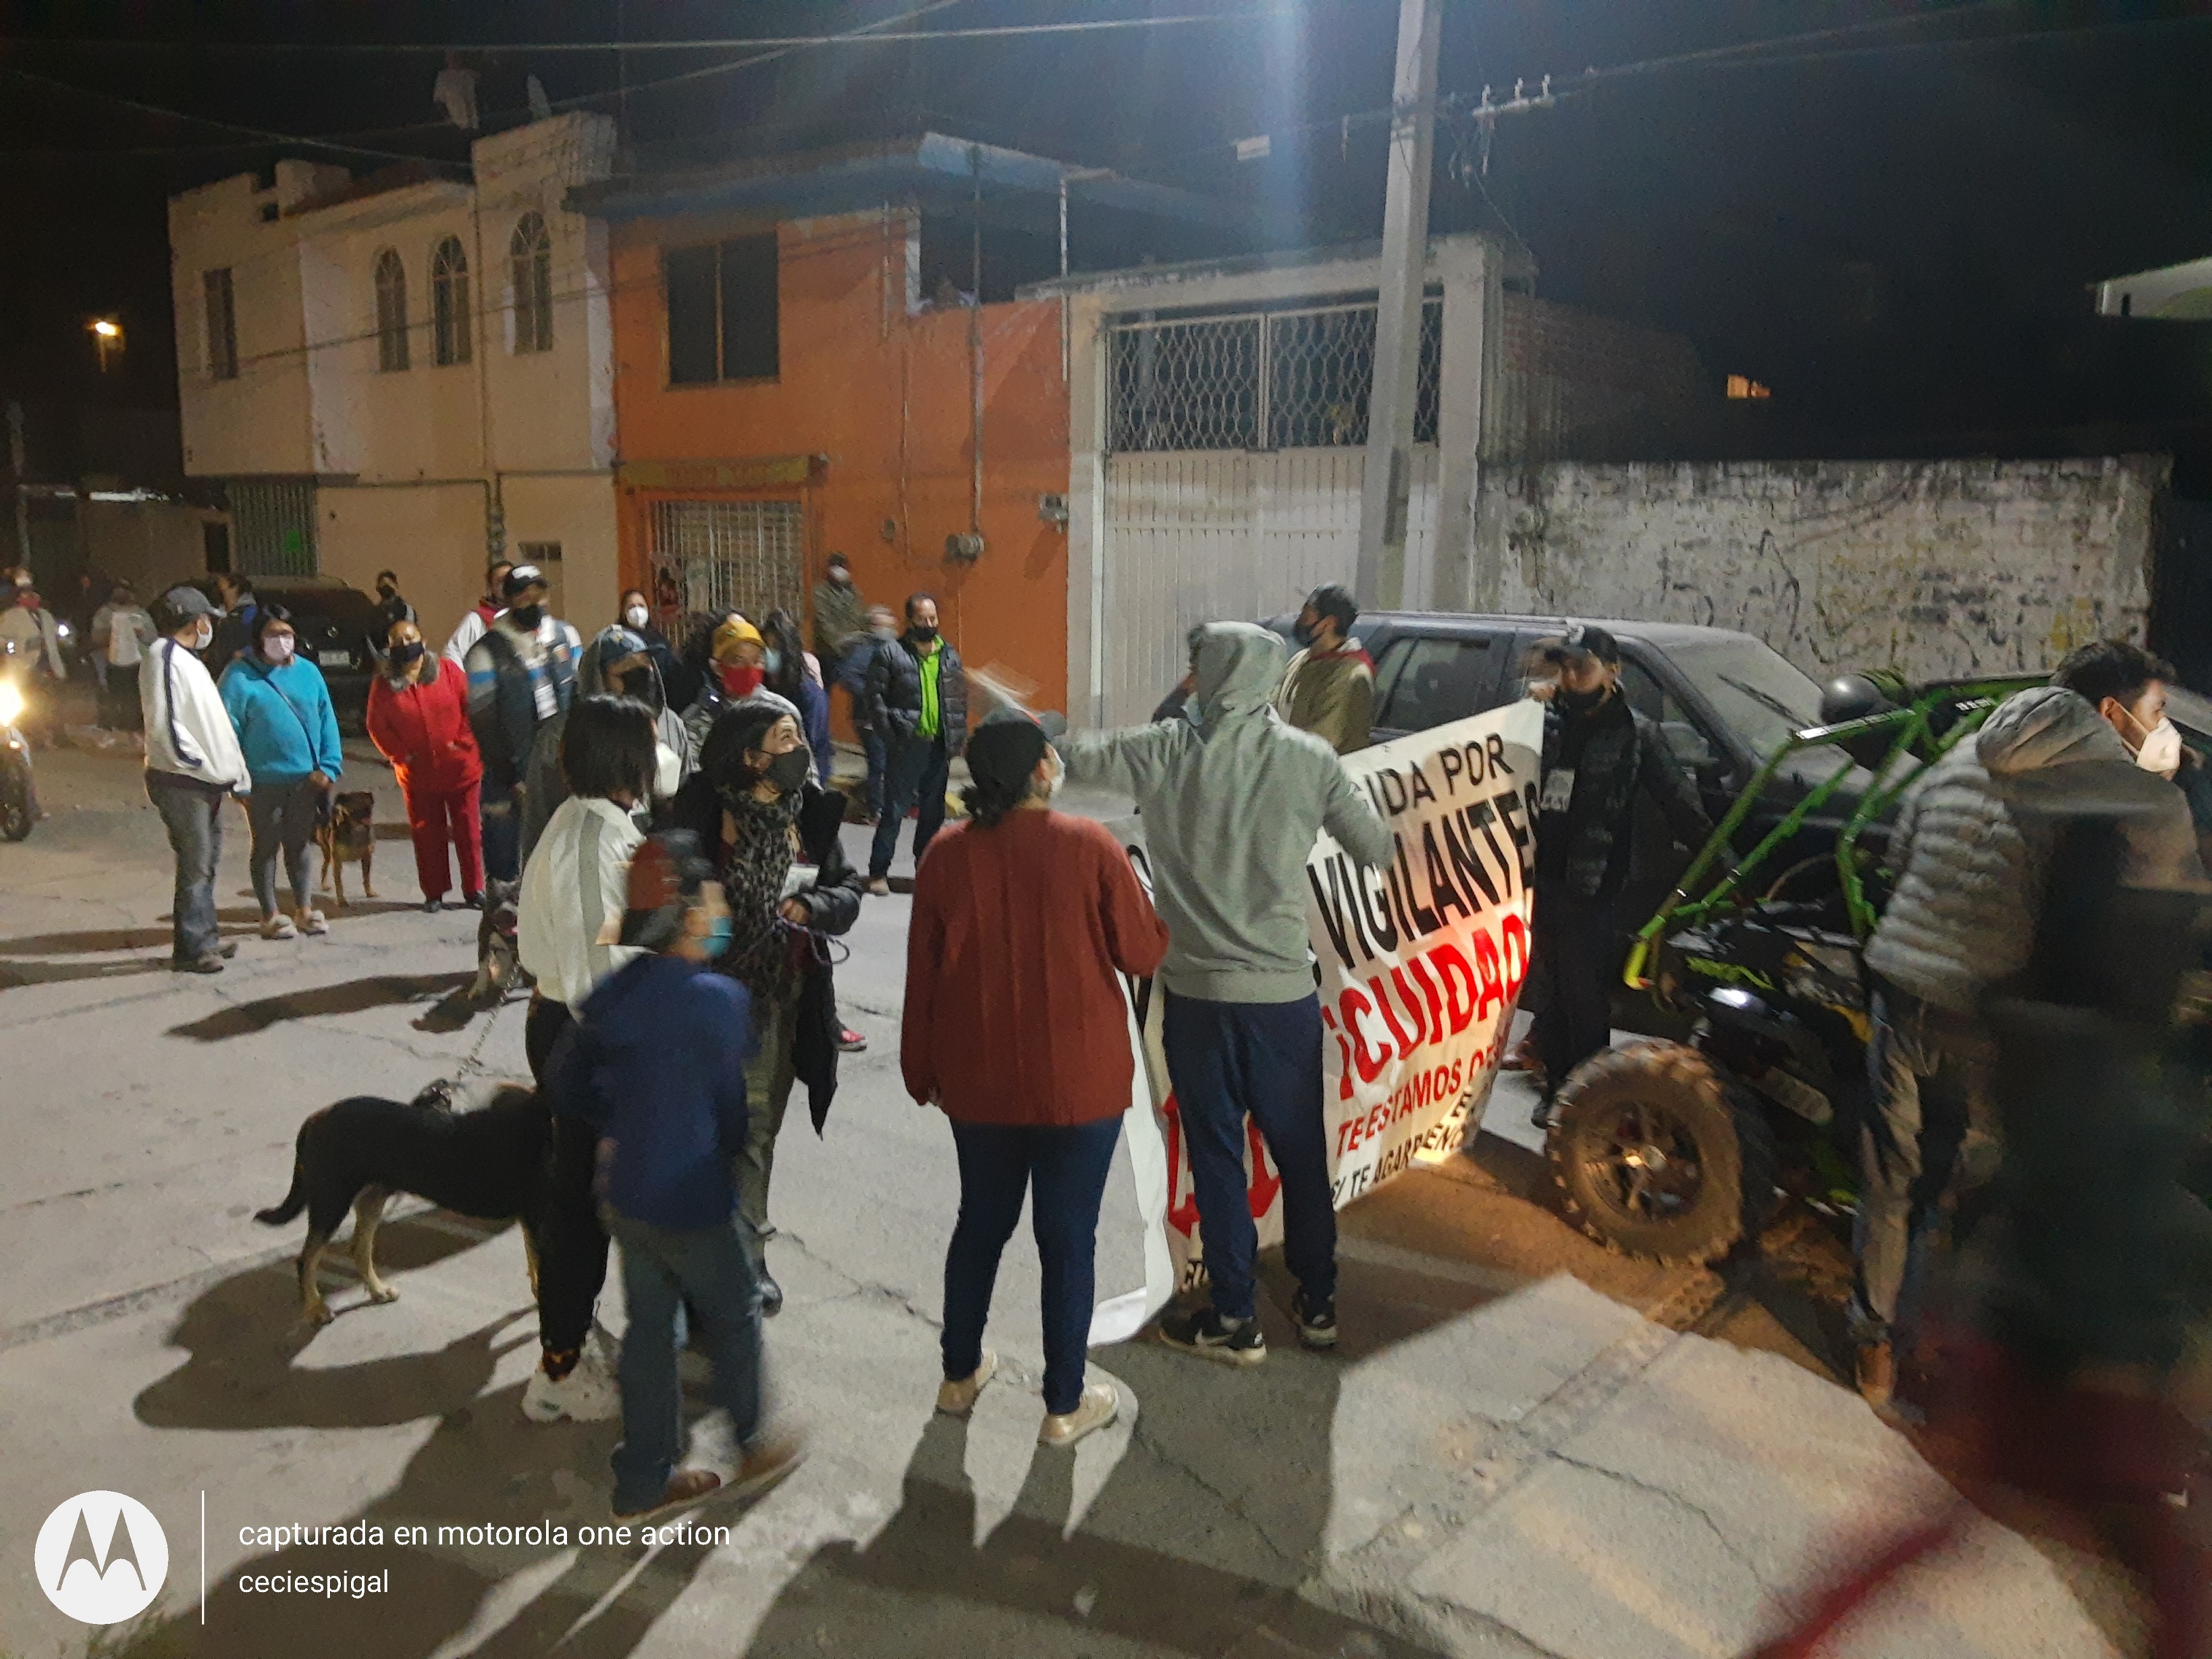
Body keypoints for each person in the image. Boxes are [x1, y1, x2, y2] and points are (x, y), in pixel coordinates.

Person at [1850, 664, 2203, 1413]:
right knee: (1953, 1187)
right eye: (2155, 708)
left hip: (1901, 985)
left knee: (1889, 1175)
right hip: (1981, 1013)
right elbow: (2091, 921)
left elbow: (1895, 850)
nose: (2160, 723)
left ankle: (1873, 1346)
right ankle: (1928, 1351)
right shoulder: (2098, 791)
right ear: (2110, 712)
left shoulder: (1961, 750)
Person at [1056, 622, 1392, 1362]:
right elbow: (1377, 847)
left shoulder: (1163, 751)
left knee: (1215, 1154)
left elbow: (1072, 754)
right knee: (1301, 1153)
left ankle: (1234, 1315)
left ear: (1209, 674)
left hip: (1198, 998)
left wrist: (1030, 720)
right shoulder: (1310, 760)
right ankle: (1319, 1302)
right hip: (1283, 1002)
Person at [905, 709, 1170, 1445]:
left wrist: (917, 1066)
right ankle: (1063, 1402)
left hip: (978, 1080)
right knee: (1067, 1237)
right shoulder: (1089, 845)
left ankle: (959, 1374)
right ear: (1040, 771)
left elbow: (921, 974)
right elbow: (1143, 954)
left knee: (980, 1222)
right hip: (1077, 1086)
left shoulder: (944, 855)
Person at [545, 831, 804, 1519]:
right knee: (736, 1311)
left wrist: (616, 1125)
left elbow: (565, 1082)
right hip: (690, 1196)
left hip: (624, 1194)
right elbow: (730, 1111)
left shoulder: (614, 993)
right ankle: (751, 1440)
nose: (721, 911)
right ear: (688, 912)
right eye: (713, 899)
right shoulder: (717, 1000)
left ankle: (643, 1477)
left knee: (651, 1332)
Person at [666, 694, 863, 1317]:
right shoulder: (696, 813)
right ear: (750, 758)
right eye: (784, 740)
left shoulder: (813, 815)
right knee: (706, 1137)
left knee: (756, 1135)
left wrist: (813, 907)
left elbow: (847, 888)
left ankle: (745, 1259)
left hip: (779, 1001)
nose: (799, 751)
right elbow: (649, 909)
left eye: (799, 737)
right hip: (704, 1003)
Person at [517, 694, 662, 1423]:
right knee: (577, 1204)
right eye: (649, 743)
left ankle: (570, 1336)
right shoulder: (585, 841)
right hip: (587, 1038)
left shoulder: (600, 827)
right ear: (626, 758)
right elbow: (591, 978)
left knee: (588, 1199)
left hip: (587, 1031)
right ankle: (559, 1365)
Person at [1524, 624, 1710, 1113]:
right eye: (1564, 667)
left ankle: (1584, 1098)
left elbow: (1679, 802)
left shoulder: (1634, 732)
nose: (1570, 676)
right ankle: (1554, 1086)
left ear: (1612, 671)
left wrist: (1722, 863)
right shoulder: (1544, 720)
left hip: (1592, 884)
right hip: (1539, 877)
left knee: (1583, 995)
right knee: (1550, 990)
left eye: (1581, 667)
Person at [518, 622, 695, 864]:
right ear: (598, 679)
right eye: (627, 672)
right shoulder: (561, 736)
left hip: (656, 866)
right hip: (591, 858)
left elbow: (687, 795)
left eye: (645, 668)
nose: (641, 679)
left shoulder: (670, 725)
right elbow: (539, 815)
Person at [142, 587, 248, 973]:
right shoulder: (164, 657)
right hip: (184, 781)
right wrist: (198, 764)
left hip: (202, 781)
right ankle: (192, 948)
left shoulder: (186, 659)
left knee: (206, 864)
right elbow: (166, 723)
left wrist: (229, 772)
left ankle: (206, 938)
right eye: (207, 620)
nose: (210, 627)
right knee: (196, 865)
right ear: (195, 621)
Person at [221, 606, 344, 940]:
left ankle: (304, 909)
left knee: (299, 845)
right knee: (265, 846)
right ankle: (270, 914)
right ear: (259, 639)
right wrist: (237, 780)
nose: (281, 641)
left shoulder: (309, 673)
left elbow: (327, 721)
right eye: (273, 634)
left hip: (305, 780)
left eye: (287, 634)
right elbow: (227, 731)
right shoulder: (238, 677)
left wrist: (329, 766)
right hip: (262, 782)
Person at [464, 562, 581, 882]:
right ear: (509, 600)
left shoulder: (565, 638)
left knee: (558, 862)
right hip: (508, 774)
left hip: (559, 767)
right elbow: (483, 721)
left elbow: (579, 694)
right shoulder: (486, 652)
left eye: (539, 594)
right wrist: (510, 775)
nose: (533, 603)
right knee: (505, 862)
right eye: (524, 596)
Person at [365, 618, 483, 913]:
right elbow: (377, 725)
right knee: (427, 834)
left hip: (460, 768)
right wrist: (400, 754)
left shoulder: (448, 672)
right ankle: (434, 892)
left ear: (424, 641)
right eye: (397, 641)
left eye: (410, 638)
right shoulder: (384, 685)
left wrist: (463, 742)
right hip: (418, 775)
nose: (405, 646)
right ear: (389, 648)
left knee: (469, 832)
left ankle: (475, 888)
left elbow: (470, 707)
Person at [863, 593, 967, 895]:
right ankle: (878, 873)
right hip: (907, 744)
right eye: (923, 618)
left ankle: (926, 870)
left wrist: (956, 738)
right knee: (894, 811)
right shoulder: (891, 654)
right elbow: (875, 698)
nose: (930, 624)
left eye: (933, 618)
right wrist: (891, 734)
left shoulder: (948, 654)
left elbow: (958, 698)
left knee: (933, 814)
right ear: (910, 620)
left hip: (939, 745)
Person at [1274, 582, 1375, 755]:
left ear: (1328, 623)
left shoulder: (1351, 675)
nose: (1299, 619)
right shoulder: (1300, 659)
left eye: (1307, 614)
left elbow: (1321, 743)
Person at [761, 607, 832, 786]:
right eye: (766, 647)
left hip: (802, 776)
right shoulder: (763, 688)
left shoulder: (810, 695)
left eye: (775, 647)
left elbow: (809, 746)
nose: (769, 654)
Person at [841, 605, 898, 823]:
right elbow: (849, 677)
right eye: (882, 624)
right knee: (879, 763)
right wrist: (873, 695)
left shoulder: (893, 648)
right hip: (869, 718)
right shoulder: (865, 650)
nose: (887, 628)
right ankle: (876, 809)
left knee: (886, 762)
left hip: (888, 716)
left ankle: (876, 802)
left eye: (889, 624)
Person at [91, 582, 155, 730]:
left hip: (138, 662)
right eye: (120, 590)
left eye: (127, 590)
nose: (123, 593)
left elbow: (152, 637)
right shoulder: (106, 613)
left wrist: (139, 632)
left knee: (137, 695)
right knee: (114, 693)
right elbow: (97, 637)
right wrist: (114, 632)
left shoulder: (141, 613)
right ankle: (113, 723)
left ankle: (136, 725)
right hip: (113, 661)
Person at [442, 557, 513, 667]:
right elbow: (452, 653)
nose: (506, 585)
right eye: (500, 581)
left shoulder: (532, 616)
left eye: (510, 580)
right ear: (491, 588)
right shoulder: (476, 620)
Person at [618, 587, 680, 699]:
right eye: (631, 607)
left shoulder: (659, 641)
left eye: (641, 606)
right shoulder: (615, 639)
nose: (637, 611)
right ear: (623, 613)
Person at [811, 553, 867, 677]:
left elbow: (860, 617)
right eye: (836, 566)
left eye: (843, 567)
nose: (840, 571)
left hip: (853, 649)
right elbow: (824, 621)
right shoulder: (821, 591)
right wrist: (839, 644)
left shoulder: (854, 592)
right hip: (828, 651)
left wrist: (857, 641)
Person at [208, 573, 261, 667]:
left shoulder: (251, 613)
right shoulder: (216, 613)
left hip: (243, 666)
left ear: (235, 588)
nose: (219, 590)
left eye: (222, 587)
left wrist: (245, 652)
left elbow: (260, 638)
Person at [373, 570, 415, 634]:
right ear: (378, 589)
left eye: (388, 586)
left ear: (396, 586)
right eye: (383, 587)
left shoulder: (406, 610)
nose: (386, 590)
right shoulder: (375, 613)